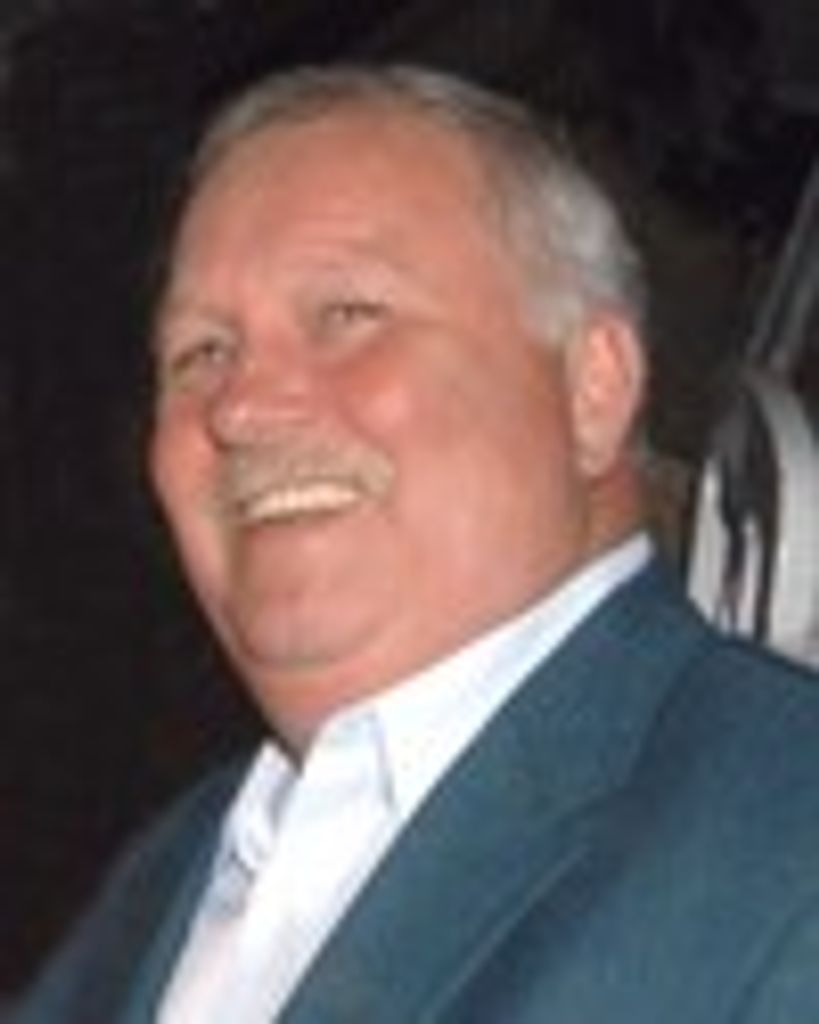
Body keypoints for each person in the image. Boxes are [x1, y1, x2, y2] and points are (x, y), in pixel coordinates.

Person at [14, 65, 819, 1024]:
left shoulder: (782, 821)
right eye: (201, 353)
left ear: (591, 390)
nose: (240, 407)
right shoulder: (155, 890)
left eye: (346, 316)